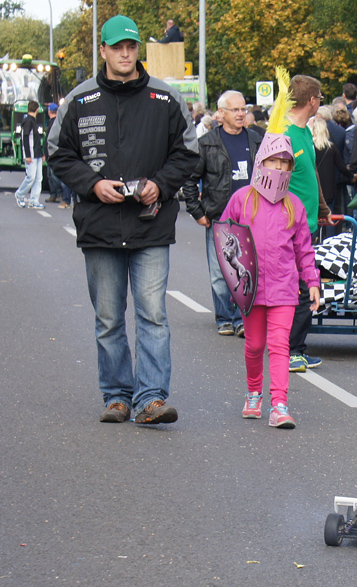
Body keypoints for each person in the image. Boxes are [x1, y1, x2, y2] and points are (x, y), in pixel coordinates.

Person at [47, 15, 199, 424]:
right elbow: (57, 153)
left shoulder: (165, 98)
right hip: (99, 224)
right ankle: (116, 395)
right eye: (117, 47)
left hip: (150, 223)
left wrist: (161, 185)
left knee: (153, 314)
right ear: (103, 51)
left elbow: (187, 153)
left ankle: (150, 398)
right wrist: (93, 184)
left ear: (138, 50)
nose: (126, 53)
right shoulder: (79, 100)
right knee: (109, 317)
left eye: (131, 46)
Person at [220, 124, 322, 428]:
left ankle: (279, 404)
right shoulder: (242, 199)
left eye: (284, 163)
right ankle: (254, 392)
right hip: (250, 289)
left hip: (284, 288)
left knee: (280, 345)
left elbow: (304, 248)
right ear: (260, 162)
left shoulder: (294, 205)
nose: (278, 169)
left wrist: (313, 281)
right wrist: (232, 280)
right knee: (253, 346)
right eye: (272, 162)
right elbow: (225, 236)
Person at [181, 90, 262, 337]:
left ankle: (241, 318)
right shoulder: (206, 143)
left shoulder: (257, 139)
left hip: (252, 216)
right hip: (219, 215)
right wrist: (197, 211)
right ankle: (224, 317)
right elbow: (190, 179)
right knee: (220, 271)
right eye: (235, 110)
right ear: (221, 114)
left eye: (243, 109)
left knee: (247, 268)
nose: (241, 114)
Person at [285, 75, 332, 373]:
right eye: (320, 98)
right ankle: (292, 350)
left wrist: (323, 207)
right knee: (302, 288)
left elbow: (310, 175)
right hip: (289, 226)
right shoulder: (284, 133)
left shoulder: (304, 130)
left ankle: (292, 347)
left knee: (303, 286)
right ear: (312, 100)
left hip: (308, 223)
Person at [311, 116, 353, 238]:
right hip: (329, 188)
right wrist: (351, 176)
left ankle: (313, 243)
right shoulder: (331, 147)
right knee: (329, 217)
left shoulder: (310, 147)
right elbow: (341, 166)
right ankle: (329, 243)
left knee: (314, 218)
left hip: (315, 188)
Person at [14, 100, 44, 210]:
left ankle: (34, 200)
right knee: (31, 177)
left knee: (38, 178)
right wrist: (27, 155)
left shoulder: (31, 121)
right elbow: (25, 138)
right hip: (31, 153)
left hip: (36, 153)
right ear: (37, 110)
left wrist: (41, 154)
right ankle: (20, 194)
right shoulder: (28, 121)